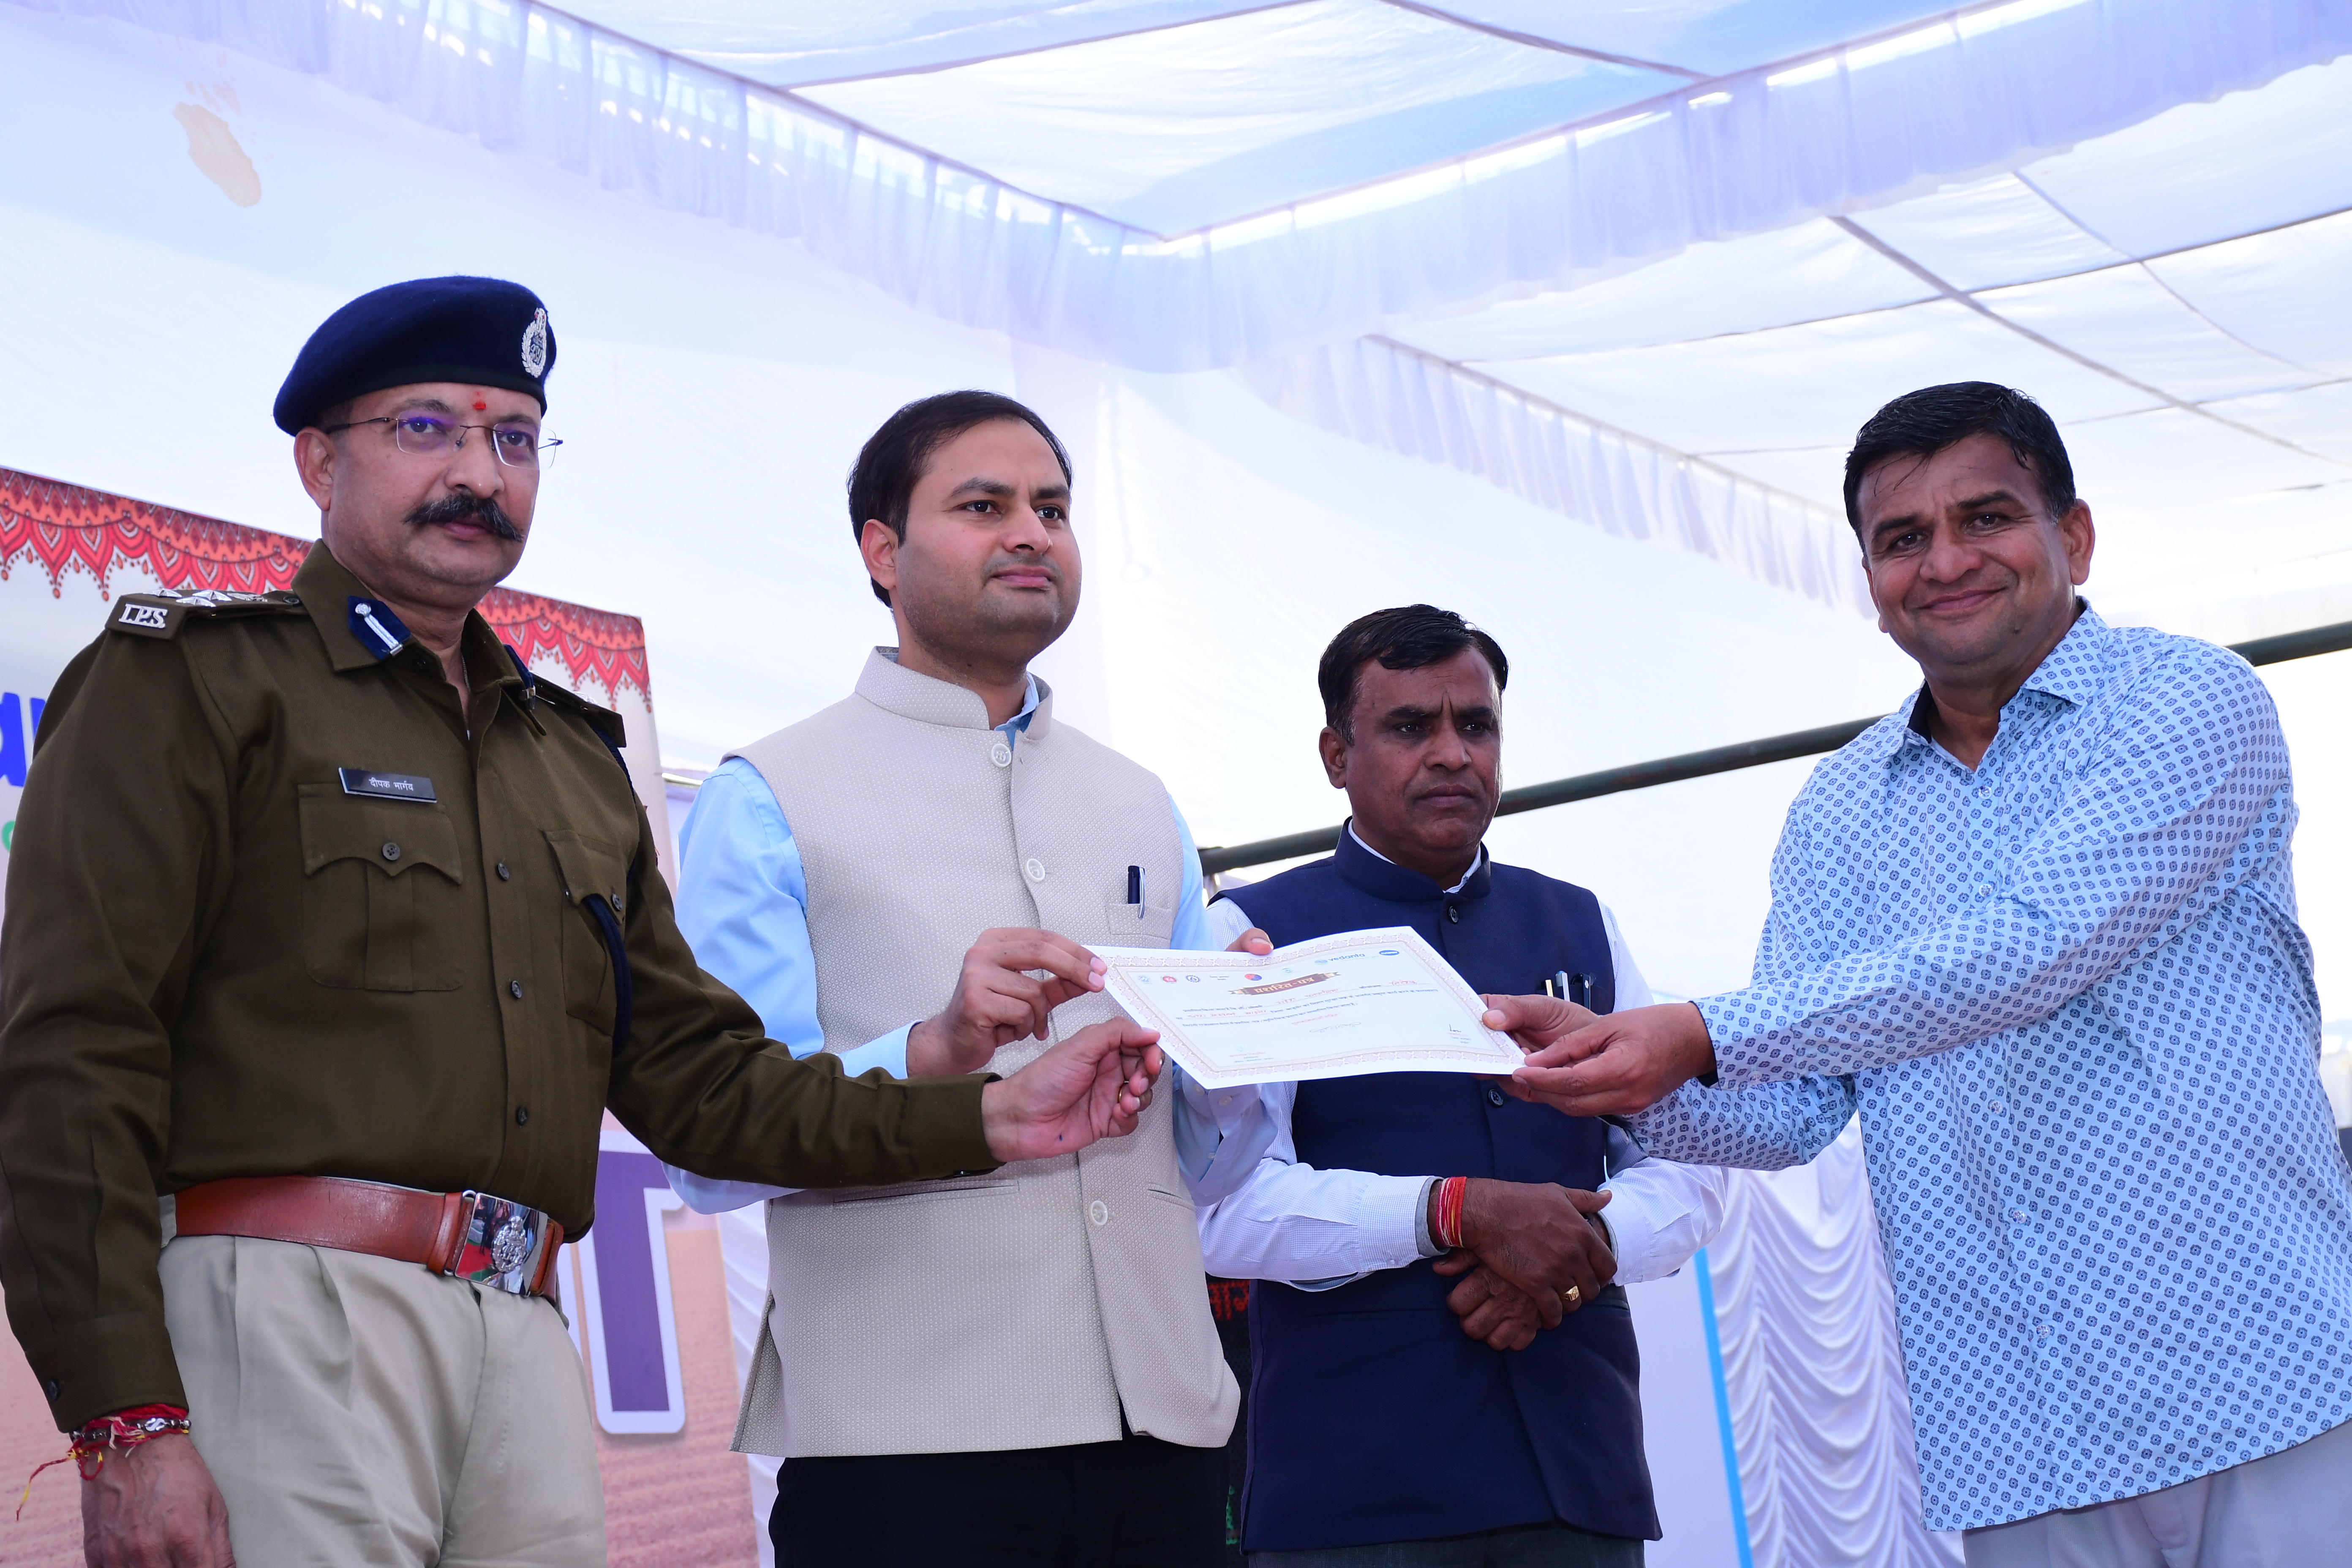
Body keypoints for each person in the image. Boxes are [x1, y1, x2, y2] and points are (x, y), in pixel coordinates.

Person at [0, 280, 1161, 1568]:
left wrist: (989, 1113)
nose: (478, 473)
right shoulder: (194, 683)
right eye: (429, 429)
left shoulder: (567, 754)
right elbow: (73, 1054)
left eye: (512, 438)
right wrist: (127, 1415)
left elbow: (704, 1085)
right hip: (282, 1306)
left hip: (522, 1328)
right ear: (319, 461)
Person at [1489, 382, 2352, 1566]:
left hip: (2254, 1368)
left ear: (2075, 535)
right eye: (1903, 540)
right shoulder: (1842, 805)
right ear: (1871, 579)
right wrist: (1612, 1074)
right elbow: (1796, 1103)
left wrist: (1692, 1028)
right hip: (2017, 1414)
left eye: (1985, 518)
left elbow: (2037, 945)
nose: (1945, 562)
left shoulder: (2187, 698)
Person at [663, 390, 1262, 1568]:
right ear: (881, 552)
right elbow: (711, 1147)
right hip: (907, 1446)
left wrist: (1245, 1051)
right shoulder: (767, 794)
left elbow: (1209, 1160)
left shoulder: (1142, 799)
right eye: (983, 506)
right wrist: (931, 1048)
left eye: (1053, 507)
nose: (1032, 532)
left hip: (1167, 1431)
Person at [1195, 604, 1729, 1567]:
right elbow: (1224, 1206)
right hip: (1355, 1486)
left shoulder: (1578, 920)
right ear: (1335, 754)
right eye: (1410, 727)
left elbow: (1690, 1171)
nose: (1452, 753)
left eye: (1474, 724)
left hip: (1580, 1465)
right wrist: (1453, 1212)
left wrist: (1581, 1249)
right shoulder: (1255, 928)